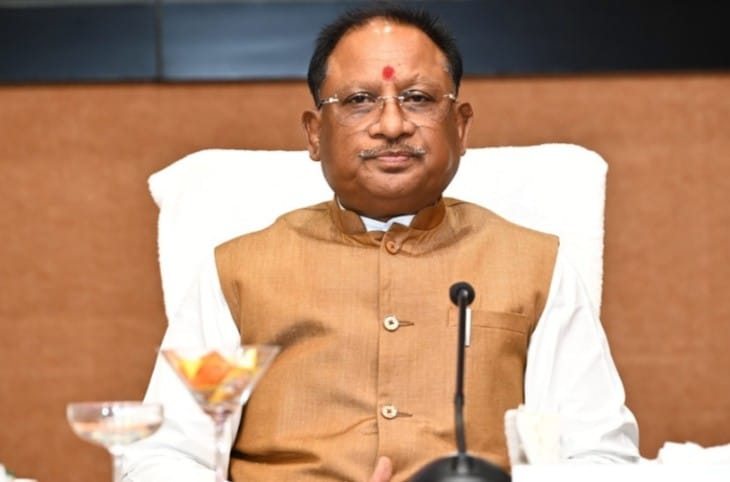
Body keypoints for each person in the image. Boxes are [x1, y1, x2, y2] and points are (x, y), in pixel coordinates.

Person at [123, 3, 639, 481]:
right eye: (359, 101)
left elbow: (599, 457)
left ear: (461, 128)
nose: (392, 125)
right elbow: (166, 455)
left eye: (418, 99)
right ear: (314, 133)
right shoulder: (239, 273)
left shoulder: (535, 266)